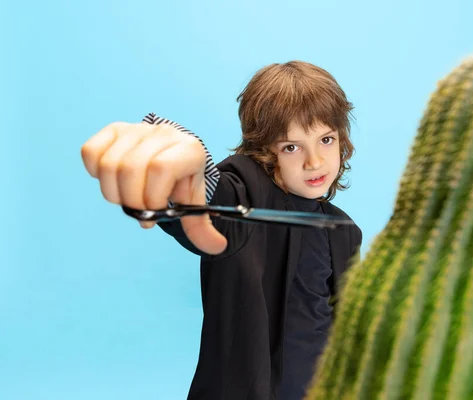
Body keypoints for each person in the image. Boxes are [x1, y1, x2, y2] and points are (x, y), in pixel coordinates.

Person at [81, 60, 363, 400]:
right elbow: (210, 192)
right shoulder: (246, 195)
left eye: (326, 139)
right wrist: (180, 163)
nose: (314, 162)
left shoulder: (346, 231)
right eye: (291, 146)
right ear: (265, 151)